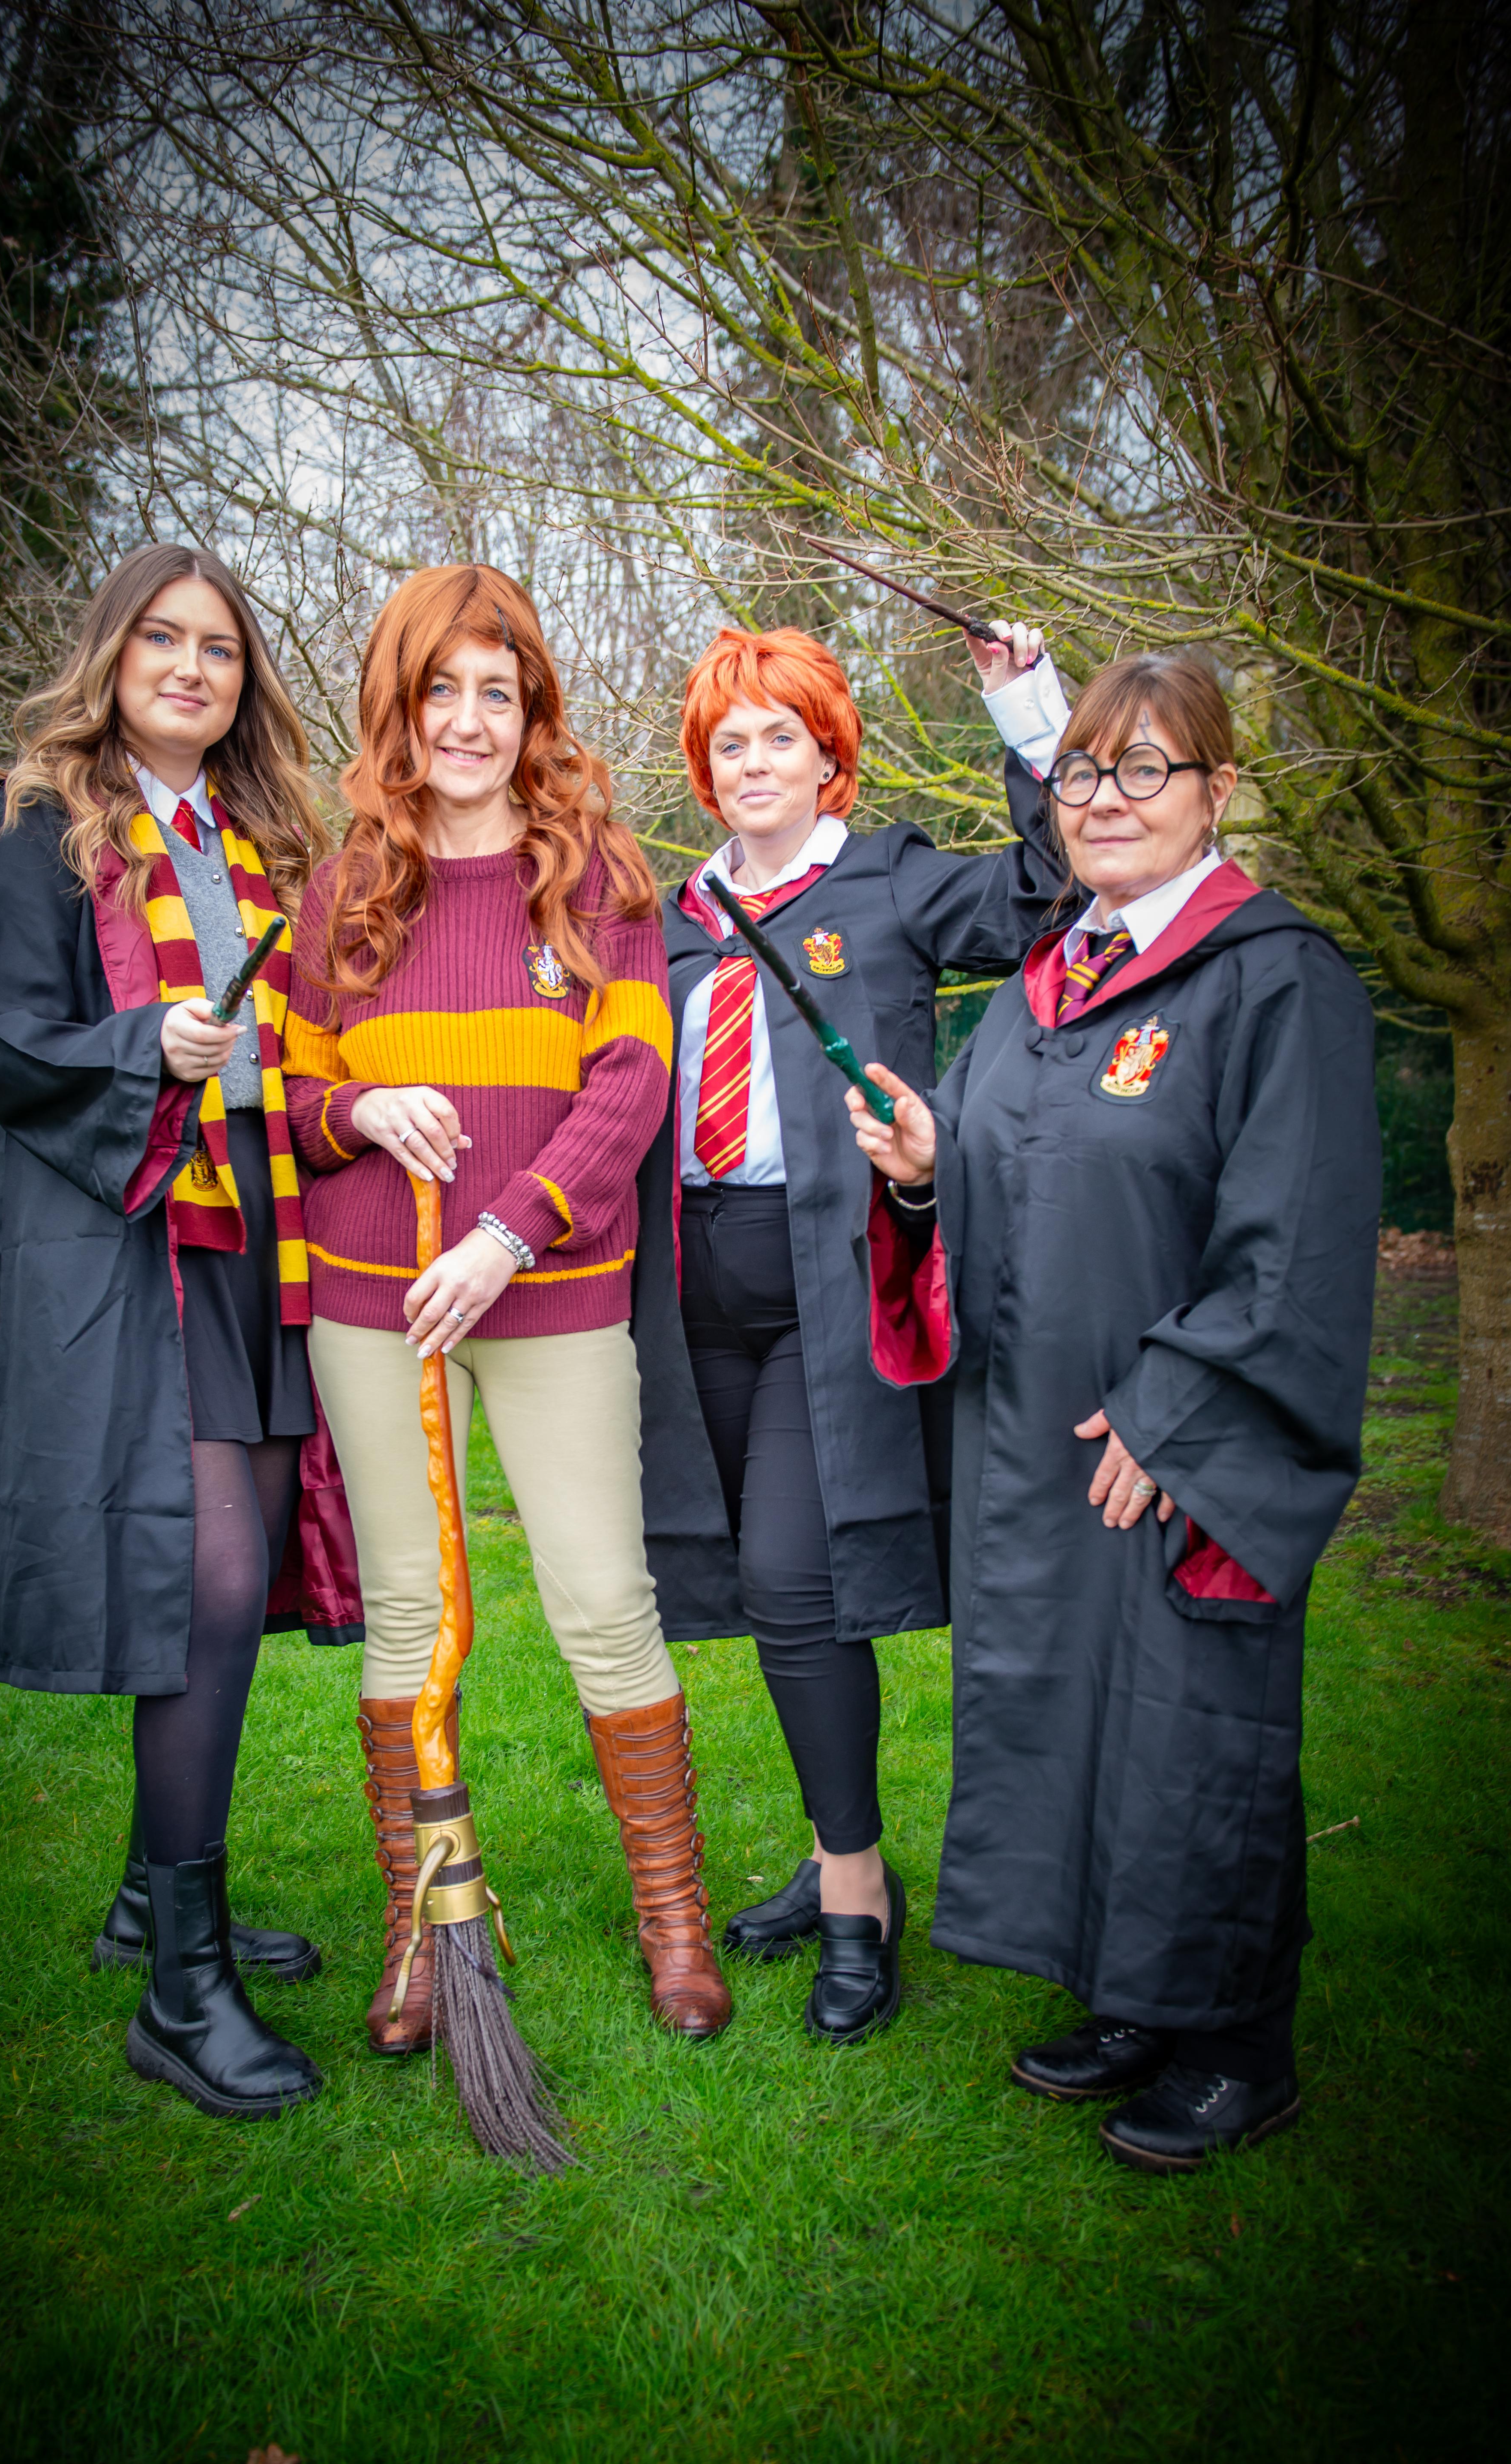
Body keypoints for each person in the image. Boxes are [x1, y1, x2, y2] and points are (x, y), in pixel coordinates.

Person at [848, 650, 1379, 2169]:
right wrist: (923, 1175)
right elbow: (1003, 1185)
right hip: (1041, 1442)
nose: (1104, 799)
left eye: (1146, 768)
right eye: (1082, 771)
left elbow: (1296, 1232)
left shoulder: (1273, 980)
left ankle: (1236, 2043)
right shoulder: (1042, 989)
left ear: (1217, 791)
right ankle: (1131, 1996)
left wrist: (1174, 1408)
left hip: (1175, 1445)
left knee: (1192, 1732)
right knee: (1079, 1722)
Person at [282, 562, 732, 2055]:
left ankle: (673, 1919)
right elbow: (291, 1096)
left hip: (547, 1296)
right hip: (373, 1302)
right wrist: (359, 1106)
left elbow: (632, 1084)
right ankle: (427, 1926)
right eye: (442, 691)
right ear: (398, 708)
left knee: (603, 1602)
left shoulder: (598, 878)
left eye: (499, 691)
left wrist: (505, 1229)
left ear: (532, 711)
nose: (470, 721)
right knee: (410, 1614)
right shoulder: (343, 892)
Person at [0, 542, 359, 2121]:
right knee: (205, 1583)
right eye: (163, 640)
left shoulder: (261, 838)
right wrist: (150, 1046)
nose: (193, 669)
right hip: (132, 1234)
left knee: (235, 1587)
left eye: (221, 649)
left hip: (260, 1230)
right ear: (111, 653)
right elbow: (3, 1038)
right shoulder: (36, 822)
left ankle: (153, 1897)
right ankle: (184, 1998)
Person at [629, 620, 1075, 2044]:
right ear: (703, 769)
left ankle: (856, 1894)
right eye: (730, 742)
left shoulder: (887, 882)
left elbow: (1051, 886)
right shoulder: (665, 918)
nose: (755, 760)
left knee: (791, 1577)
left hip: (823, 1284)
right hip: (689, 1295)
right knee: (776, 1597)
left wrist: (1029, 710)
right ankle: (836, 1856)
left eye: (784, 736)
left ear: (830, 759)